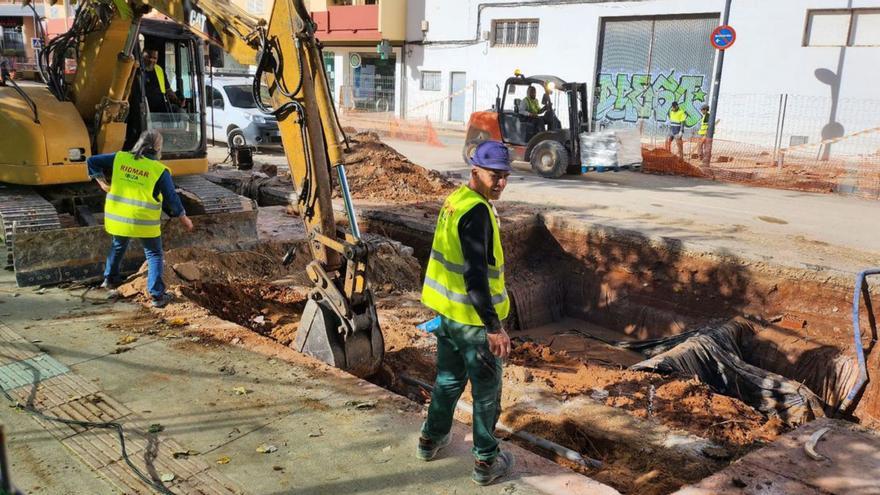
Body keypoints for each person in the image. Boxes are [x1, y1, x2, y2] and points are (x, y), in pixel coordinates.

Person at [418, 140, 515, 486]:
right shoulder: (477, 213)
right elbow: (475, 276)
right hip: (475, 325)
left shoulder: (456, 200)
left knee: (448, 381)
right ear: (475, 171)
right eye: (495, 176)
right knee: (486, 394)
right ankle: (487, 461)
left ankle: (430, 440)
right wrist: (493, 327)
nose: (501, 182)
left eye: (505, 176)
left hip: (450, 317)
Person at [87, 129, 194, 308]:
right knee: (153, 254)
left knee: (118, 245)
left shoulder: (120, 158)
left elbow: (92, 161)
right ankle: (157, 296)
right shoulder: (158, 170)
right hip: (144, 222)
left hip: (118, 218)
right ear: (159, 148)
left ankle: (109, 279)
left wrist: (102, 182)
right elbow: (172, 198)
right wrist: (184, 218)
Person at [141, 49, 185, 114]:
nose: (151, 60)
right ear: (142, 56)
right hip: (142, 110)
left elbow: (168, 89)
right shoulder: (136, 70)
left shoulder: (159, 70)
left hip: (160, 110)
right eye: (149, 57)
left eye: (154, 58)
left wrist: (178, 101)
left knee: (181, 112)